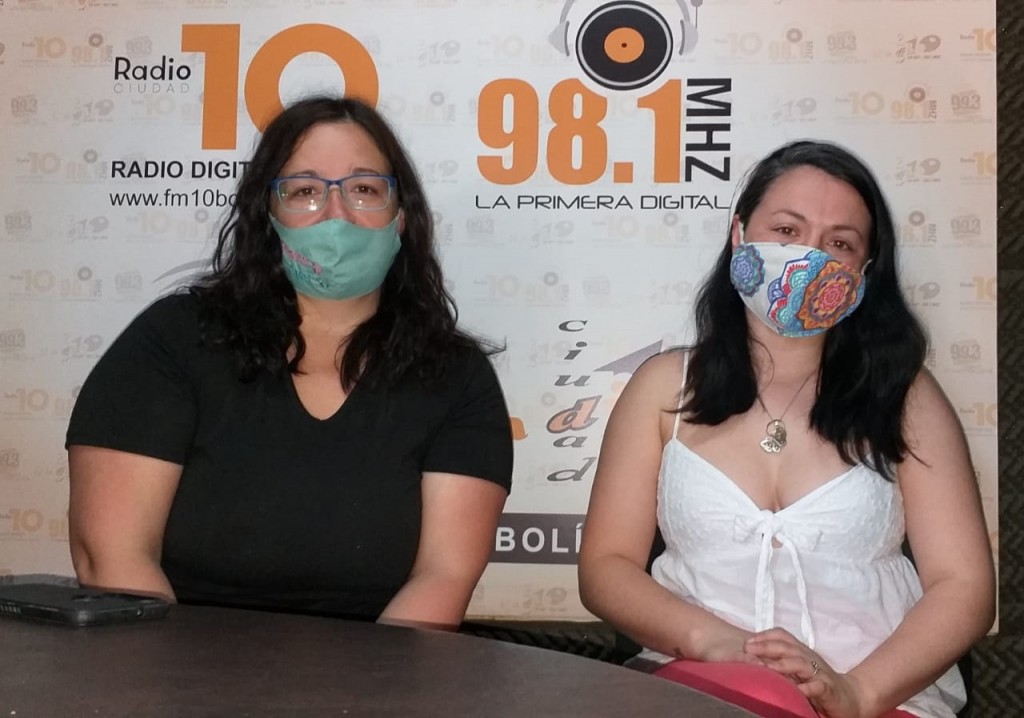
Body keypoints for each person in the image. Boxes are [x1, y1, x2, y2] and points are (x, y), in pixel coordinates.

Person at [578, 140, 995, 717]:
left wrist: (856, 692)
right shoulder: (662, 387)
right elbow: (606, 567)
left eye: (839, 243)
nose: (808, 257)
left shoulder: (906, 396)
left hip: (876, 697)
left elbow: (963, 586)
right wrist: (716, 644)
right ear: (739, 235)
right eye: (786, 231)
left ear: (864, 271)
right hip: (699, 686)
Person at [66, 95, 513, 629]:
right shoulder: (173, 342)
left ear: (401, 217)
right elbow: (113, 559)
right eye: (304, 191)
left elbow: (444, 578)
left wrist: (370, 684)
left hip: (380, 671)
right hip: (173, 664)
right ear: (267, 215)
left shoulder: (457, 377)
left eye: (364, 189)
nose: (337, 214)